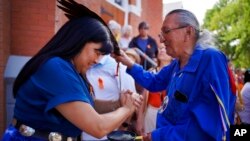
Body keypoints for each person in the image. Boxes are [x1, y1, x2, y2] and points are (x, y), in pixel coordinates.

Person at [1, 0, 142, 141]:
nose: (97, 60)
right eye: (97, 52)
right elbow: (98, 127)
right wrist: (126, 109)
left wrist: (120, 103)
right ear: (80, 40)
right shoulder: (56, 68)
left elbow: (85, 110)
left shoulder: (72, 70)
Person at [113, 9, 236, 141]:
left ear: (188, 32)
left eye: (166, 31)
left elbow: (209, 127)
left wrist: (158, 136)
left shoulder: (210, 59)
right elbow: (154, 82)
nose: (160, 39)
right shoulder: (177, 63)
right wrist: (128, 62)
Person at [81, 54, 137, 140]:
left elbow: (131, 101)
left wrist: (123, 127)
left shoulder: (118, 66)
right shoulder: (80, 64)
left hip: (111, 135)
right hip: (84, 132)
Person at [136, 45, 173, 135]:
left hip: (168, 115)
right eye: (160, 48)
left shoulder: (175, 74)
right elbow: (143, 98)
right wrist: (139, 119)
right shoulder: (151, 72)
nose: (162, 50)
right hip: (150, 113)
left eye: (165, 48)